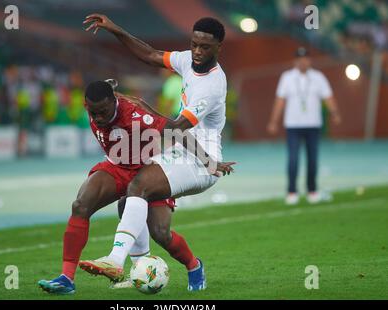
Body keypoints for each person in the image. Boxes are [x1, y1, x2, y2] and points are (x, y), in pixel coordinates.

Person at [81, 15, 234, 290]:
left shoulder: (211, 86)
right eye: (194, 44)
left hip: (202, 160)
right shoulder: (188, 59)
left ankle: (116, 260)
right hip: (179, 152)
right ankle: (193, 267)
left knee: (136, 186)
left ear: (219, 48)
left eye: (205, 47)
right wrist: (116, 29)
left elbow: (174, 128)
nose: (197, 52)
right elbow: (150, 54)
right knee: (158, 230)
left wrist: (137, 103)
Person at [38, 81, 233, 294]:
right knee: (81, 205)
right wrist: (109, 85)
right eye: (93, 113)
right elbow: (106, 95)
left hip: (148, 170)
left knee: (160, 232)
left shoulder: (136, 116)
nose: (99, 118)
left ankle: (194, 266)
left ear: (114, 103)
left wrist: (208, 161)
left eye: (103, 112)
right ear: (87, 106)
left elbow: (177, 131)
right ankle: (67, 279)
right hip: (117, 166)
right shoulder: (99, 103)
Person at [267, 47, 341, 205]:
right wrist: (274, 121)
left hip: (313, 124)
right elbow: (280, 100)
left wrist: (334, 112)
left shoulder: (318, 77)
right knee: (293, 159)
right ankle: (291, 191)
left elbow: (328, 96)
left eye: (305, 58)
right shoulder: (287, 77)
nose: (303, 61)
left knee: (312, 160)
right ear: (295, 61)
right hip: (293, 125)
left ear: (310, 60)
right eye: (299, 59)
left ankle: (312, 190)